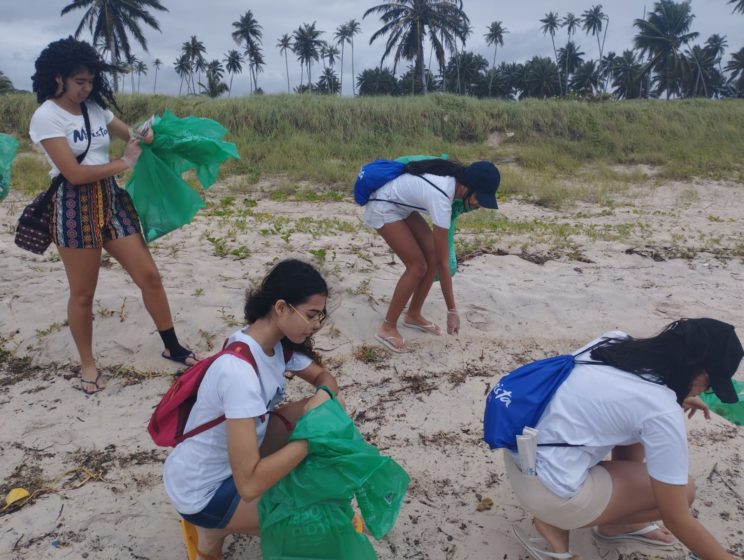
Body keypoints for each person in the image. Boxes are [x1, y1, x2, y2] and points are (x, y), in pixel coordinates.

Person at [29, 37, 196, 394]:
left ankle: (172, 345)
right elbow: (74, 173)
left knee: (149, 276)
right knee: (83, 293)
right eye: (80, 81)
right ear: (58, 78)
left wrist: (146, 135)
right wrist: (124, 162)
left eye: (91, 81)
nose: (87, 88)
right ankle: (88, 363)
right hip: (73, 205)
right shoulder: (46, 116)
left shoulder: (96, 110)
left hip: (111, 199)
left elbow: (132, 135)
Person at [504, 318, 743, 560]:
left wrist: (676, 396)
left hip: (522, 459)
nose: (704, 391)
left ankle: (616, 525)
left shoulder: (614, 342)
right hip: (551, 494)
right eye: (709, 384)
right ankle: (555, 522)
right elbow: (676, 518)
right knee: (685, 491)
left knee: (637, 425)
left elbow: (619, 398)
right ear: (695, 370)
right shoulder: (660, 409)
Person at [162, 259, 341, 560]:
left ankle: (216, 532)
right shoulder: (239, 373)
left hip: (228, 463)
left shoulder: (272, 344)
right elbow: (249, 485)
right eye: (311, 315)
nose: (317, 325)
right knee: (321, 528)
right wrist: (309, 440)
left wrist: (324, 396)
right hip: (202, 490)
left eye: (320, 316)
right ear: (281, 308)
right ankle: (213, 527)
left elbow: (326, 379)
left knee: (328, 408)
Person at [363, 158, 500, 353]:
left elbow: (438, 258)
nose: (479, 205)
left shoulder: (453, 181)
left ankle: (413, 315)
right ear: (467, 186)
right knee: (417, 266)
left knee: (431, 255)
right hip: (383, 206)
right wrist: (452, 311)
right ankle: (387, 327)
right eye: (479, 198)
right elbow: (444, 263)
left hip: (401, 206)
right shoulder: (442, 197)